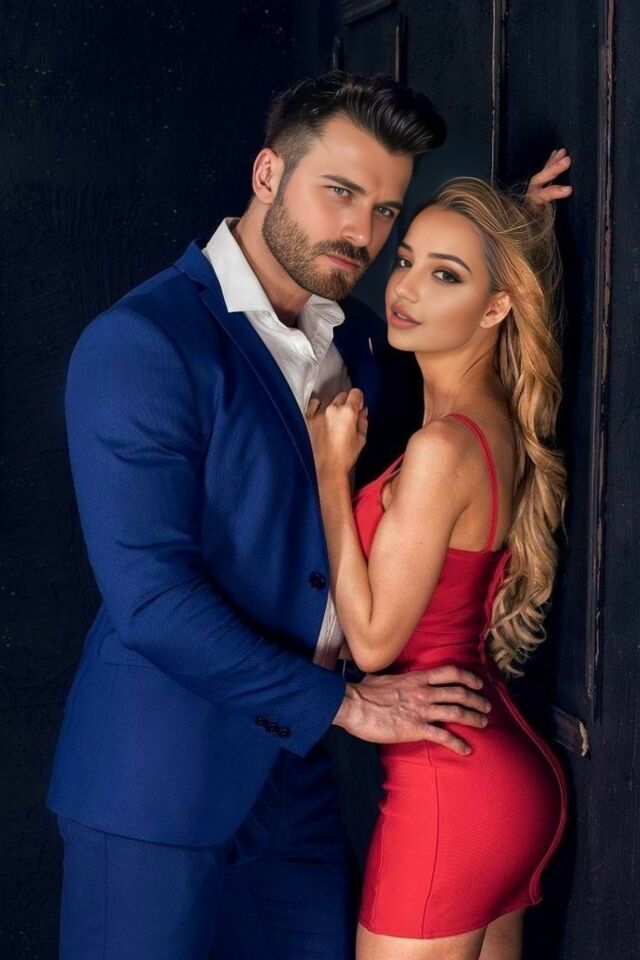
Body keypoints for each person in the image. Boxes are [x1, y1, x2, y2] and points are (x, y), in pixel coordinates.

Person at [46, 69, 571, 959]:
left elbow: (463, 336)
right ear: (267, 174)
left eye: (386, 209)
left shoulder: (362, 338)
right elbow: (153, 602)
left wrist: (509, 228)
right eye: (340, 192)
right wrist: (348, 706)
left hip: (298, 792)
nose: (362, 232)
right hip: (156, 786)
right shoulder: (144, 341)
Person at [306, 176, 569, 960]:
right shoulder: (490, 423)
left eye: (445, 275)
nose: (407, 288)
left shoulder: (442, 449)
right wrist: (519, 218)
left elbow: (374, 642)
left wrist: (330, 473)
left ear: (496, 308)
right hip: (501, 777)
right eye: (408, 260)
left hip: (446, 787)